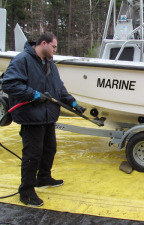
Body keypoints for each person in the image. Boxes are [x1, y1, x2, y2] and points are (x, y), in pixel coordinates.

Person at [2, 32, 85, 207]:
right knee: (32, 155)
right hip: (31, 117)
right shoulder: (22, 60)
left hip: (47, 116)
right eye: (54, 47)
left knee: (49, 149)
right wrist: (34, 94)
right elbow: (9, 83)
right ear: (44, 43)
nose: (55, 50)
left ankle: (44, 178)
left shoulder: (49, 63)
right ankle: (26, 191)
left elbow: (59, 89)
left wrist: (73, 103)